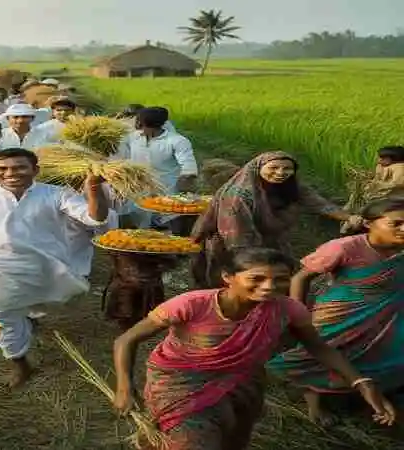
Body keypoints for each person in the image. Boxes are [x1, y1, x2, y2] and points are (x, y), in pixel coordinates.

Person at [112, 248, 396, 450]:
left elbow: (319, 348)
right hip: (180, 384)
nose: (269, 287)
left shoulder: (288, 310)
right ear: (228, 276)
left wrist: (361, 382)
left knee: (230, 438)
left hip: (242, 384)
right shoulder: (191, 304)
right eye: (256, 278)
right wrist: (125, 387)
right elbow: (125, 340)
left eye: (280, 279)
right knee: (191, 440)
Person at [0, 148, 112, 387]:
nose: (10, 173)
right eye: (2, 169)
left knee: (50, 300)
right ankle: (19, 362)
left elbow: (94, 218)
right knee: (2, 315)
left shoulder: (57, 194)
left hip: (45, 263)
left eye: (19, 167)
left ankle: (28, 316)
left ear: (35, 170)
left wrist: (93, 188)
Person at [268, 197, 404, 425]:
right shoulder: (344, 247)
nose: (403, 229)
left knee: (381, 353)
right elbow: (301, 278)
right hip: (340, 315)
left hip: (388, 314)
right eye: (396, 223)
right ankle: (314, 404)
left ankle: (372, 393)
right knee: (321, 354)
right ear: (369, 223)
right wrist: (297, 314)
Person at [191, 151, 360, 288]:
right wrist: (255, 262)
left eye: (287, 169)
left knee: (275, 279)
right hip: (235, 245)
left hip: (269, 238)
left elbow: (318, 203)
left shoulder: (290, 185)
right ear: (258, 168)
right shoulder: (238, 196)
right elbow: (238, 236)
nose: (280, 173)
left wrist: (349, 217)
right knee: (242, 282)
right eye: (273, 167)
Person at [116, 107, 198, 232]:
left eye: (139, 122)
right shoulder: (132, 138)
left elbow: (188, 169)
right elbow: (120, 158)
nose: (136, 126)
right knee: (139, 231)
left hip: (167, 196)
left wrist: (183, 197)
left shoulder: (177, 141)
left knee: (169, 231)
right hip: (138, 193)